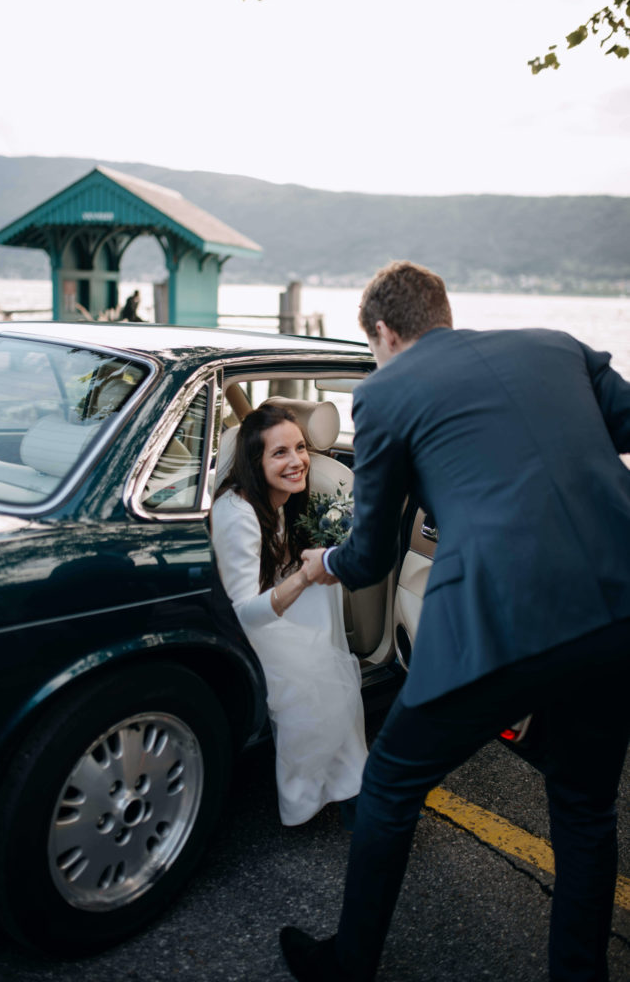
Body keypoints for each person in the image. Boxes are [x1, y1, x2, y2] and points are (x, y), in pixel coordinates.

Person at [281, 260, 630, 981]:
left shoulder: (384, 393)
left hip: (501, 621)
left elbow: (372, 553)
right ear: (441, 310)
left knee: (390, 785)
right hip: (618, 605)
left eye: (372, 346)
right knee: (584, 810)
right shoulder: (555, 345)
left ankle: (347, 966)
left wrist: (321, 564)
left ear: (382, 331)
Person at [212, 404, 367, 827]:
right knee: (323, 675)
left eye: (300, 448)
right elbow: (244, 612)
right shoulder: (238, 512)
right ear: (255, 460)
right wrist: (304, 577)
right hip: (239, 631)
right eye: (279, 453)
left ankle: (351, 783)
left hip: (265, 612)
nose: (297, 461)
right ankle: (331, 791)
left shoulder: (280, 500)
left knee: (324, 617)